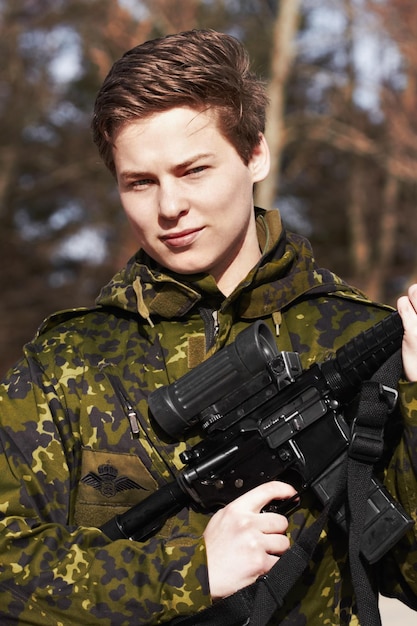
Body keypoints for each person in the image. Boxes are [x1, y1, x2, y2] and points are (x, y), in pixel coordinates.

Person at [0, 28, 416, 626]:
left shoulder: (358, 338)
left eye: (193, 170)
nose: (169, 208)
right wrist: (189, 572)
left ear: (255, 156)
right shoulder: (66, 363)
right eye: (140, 182)